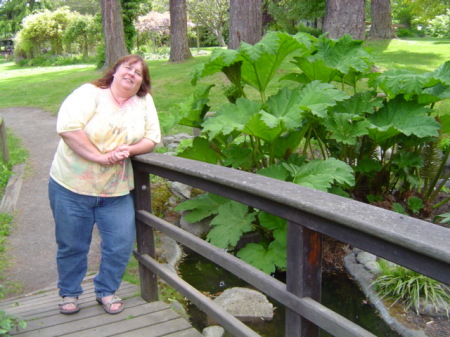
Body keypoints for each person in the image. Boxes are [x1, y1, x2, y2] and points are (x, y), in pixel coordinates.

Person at [48, 54, 161, 315]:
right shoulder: (90, 93)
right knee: (72, 244)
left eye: (139, 73)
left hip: (116, 189)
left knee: (121, 243)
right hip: (71, 186)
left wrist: (128, 150)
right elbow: (68, 128)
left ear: (142, 82)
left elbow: (152, 138)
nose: (132, 74)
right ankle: (70, 292)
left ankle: (106, 290)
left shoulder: (143, 101)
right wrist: (99, 157)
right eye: (128, 67)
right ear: (115, 70)